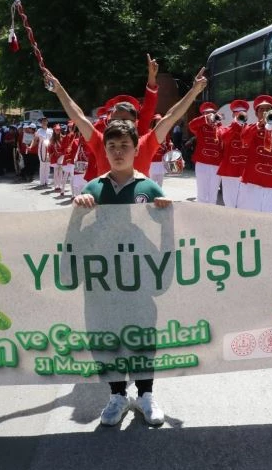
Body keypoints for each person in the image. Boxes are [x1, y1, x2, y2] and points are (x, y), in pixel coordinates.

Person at [73, 119, 171, 427]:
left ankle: (145, 394)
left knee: (141, 335)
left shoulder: (149, 188)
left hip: (138, 278)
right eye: (112, 146)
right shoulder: (93, 188)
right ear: (104, 150)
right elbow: (76, 235)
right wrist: (79, 210)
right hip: (102, 280)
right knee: (107, 336)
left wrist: (166, 214)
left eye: (124, 146)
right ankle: (116, 394)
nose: (118, 152)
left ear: (135, 150)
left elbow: (165, 231)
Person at [45, 66, 207, 184]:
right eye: (115, 120)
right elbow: (79, 117)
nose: (120, 125)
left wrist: (194, 91)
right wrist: (59, 89)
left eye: (125, 121)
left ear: (135, 123)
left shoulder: (146, 144)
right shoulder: (101, 142)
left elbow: (171, 117)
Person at [236, 95, 272, 213]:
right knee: (249, 215)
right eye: (261, 110)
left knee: (267, 217)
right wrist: (260, 125)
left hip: (271, 183)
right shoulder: (250, 129)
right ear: (256, 113)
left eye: (268, 109)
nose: (265, 112)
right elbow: (245, 139)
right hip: (251, 181)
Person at [216, 100, 251, 208]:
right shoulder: (225, 129)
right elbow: (224, 138)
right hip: (230, 172)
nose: (240, 115)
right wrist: (236, 125)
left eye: (242, 113)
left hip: (245, 173)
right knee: (230, 204)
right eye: (237, 113)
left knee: (245, 205)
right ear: (233, 115)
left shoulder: (251, 129)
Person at [188, 102, 225, 204]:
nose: (210, 115)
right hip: (202, 163)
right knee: (202, 194)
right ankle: (201, 213)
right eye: (207, 113)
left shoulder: (220, 127)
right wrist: (205, 119)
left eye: (212, 112)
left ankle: (210, 212)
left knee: (213, 194)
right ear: (203, 115)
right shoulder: (200, 127)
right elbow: (191, 125)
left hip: (216, 164)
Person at [37, 117, 52, 187]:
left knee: (48, 165)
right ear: (41, 123)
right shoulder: (39, 131)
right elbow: (35, 139)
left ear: (47, 122)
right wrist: (30, 146)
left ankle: (47, 181)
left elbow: (52, 140)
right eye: (43, 121)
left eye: (45, 121)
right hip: (41, 149)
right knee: (42, 165)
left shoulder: (50, 131)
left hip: (49, 149)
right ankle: (42, 181)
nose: (44, 122)